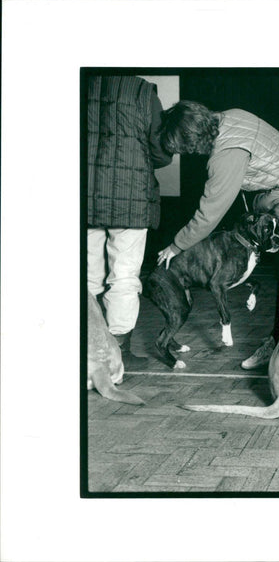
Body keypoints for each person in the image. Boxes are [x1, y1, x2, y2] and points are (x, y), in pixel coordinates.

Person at [157, 100, 279, 369]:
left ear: (191, 140)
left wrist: (176, 246)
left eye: (181, 147)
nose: (183, 153)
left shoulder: (224, 156)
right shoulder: (231, 116)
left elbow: (209, 214)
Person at [87, 75, 173, 369]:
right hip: (130, 198)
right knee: (123, 277)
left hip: (84, 194)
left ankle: (88, 350)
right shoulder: (142, 92)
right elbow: (161, 152)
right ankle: (118, 354)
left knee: (86, 277)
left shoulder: (80, 81)